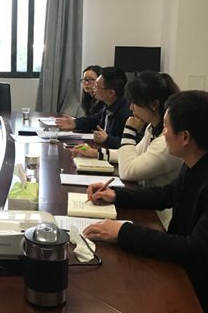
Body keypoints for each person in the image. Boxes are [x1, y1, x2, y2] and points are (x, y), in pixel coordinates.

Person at [82, 91, 208, 312]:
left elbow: (196, 251)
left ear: (185, 137)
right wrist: (116, 195)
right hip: (198, 273)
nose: (163, 133)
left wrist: (123, 231)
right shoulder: (202, 160)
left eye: (166, 126)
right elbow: (166, 194)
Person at [72, 72, 183, 227]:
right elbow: (133, 154)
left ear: (154, 105)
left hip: (161, 218)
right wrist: (98, 153)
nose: (131, 108)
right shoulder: (152, 128)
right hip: (146, 203)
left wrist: (129, 131)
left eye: (135, 103)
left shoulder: (166, 142)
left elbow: (128, 171)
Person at [55, 66, 131, 149]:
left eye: (97, 86)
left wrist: (107, 139)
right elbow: (93, 120)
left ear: (110, 93)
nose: (94, 88)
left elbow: (132, 144)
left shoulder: (127, 112)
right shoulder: (108, 105)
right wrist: (75, 123)